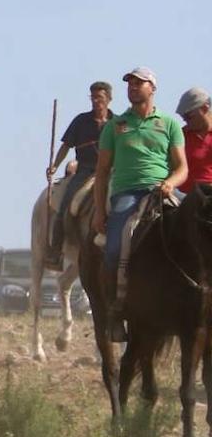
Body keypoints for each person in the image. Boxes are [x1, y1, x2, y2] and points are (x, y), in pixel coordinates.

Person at [93, 67, 186, 342]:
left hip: (162, 190)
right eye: (130, 84)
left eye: (139, 83)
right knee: (112, 250)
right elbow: (101, 172)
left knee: (199, 231)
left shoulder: (168, 124)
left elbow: (183, 168)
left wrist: (170, 183)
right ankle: (115, 310)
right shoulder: (116, 126)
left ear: (152, 88)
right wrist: (100, 211)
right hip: (127, 194)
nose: (133, 87)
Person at [44, 81, 112, 269]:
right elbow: (66, 145)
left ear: (109, 99)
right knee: (66, 205)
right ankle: (55, 252)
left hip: (111, 171)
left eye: (100, 97)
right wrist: (55, 166)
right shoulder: (81, 121)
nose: (96, 101)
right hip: (85, 170)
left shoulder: (117, 122)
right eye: (93, 97)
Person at [176, 87, 212, 196]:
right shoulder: (181, 136)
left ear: (205, 108)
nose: (185, 121)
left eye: (189, 116)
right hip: (184, 197)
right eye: (183, 118)